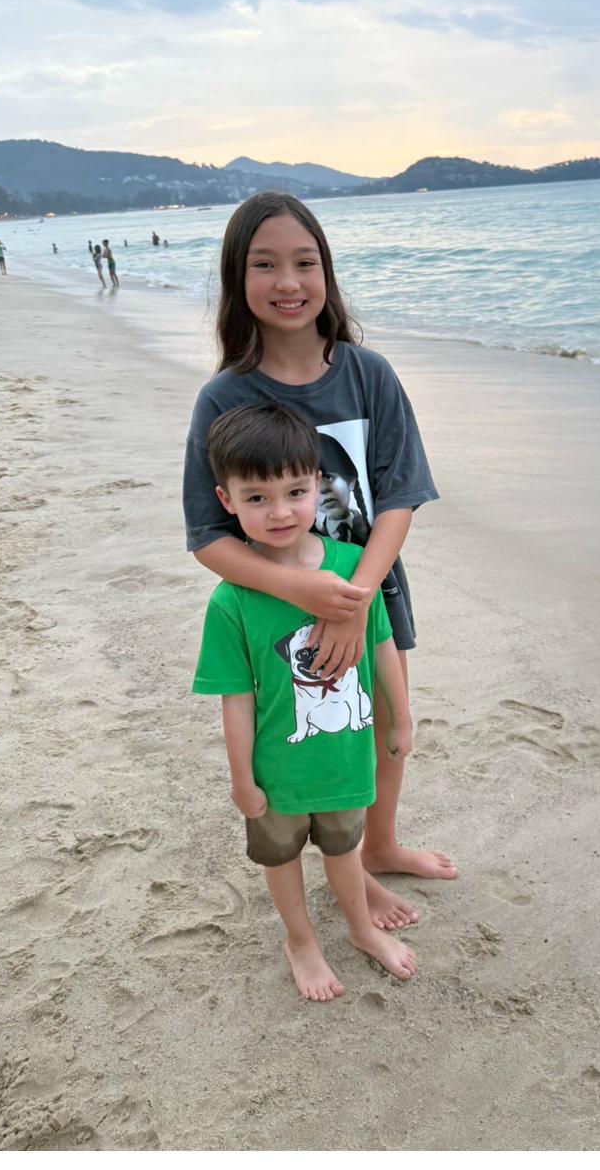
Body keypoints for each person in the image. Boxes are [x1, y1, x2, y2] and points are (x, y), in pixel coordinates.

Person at [183, 192, 457, 935]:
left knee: (385, 722)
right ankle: (334, 861)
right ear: (238, 280)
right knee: (303, 733)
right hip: (277, 604)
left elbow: (400, 496)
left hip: (370, 586)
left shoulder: (368, 374)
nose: (288, 281)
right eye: (264, 264)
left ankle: (381, 845)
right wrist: (304, 590)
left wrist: (356, 595)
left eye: (305, 262)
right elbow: (208, 534)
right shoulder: (225, 397)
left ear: (327, 273)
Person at [193, 403, 417, 1000]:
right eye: (256, 497)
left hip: (346, 760)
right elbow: (235, 699)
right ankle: (301, 941)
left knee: (347, 849)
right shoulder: (233, 600)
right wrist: (242, 779)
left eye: (294, 491)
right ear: (226, 500)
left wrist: (402, 716)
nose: (279, 511)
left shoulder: (351, 568)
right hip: (278, 770)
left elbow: (385, 643)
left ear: (318, 486)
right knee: (282, 858)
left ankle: (362, 929)